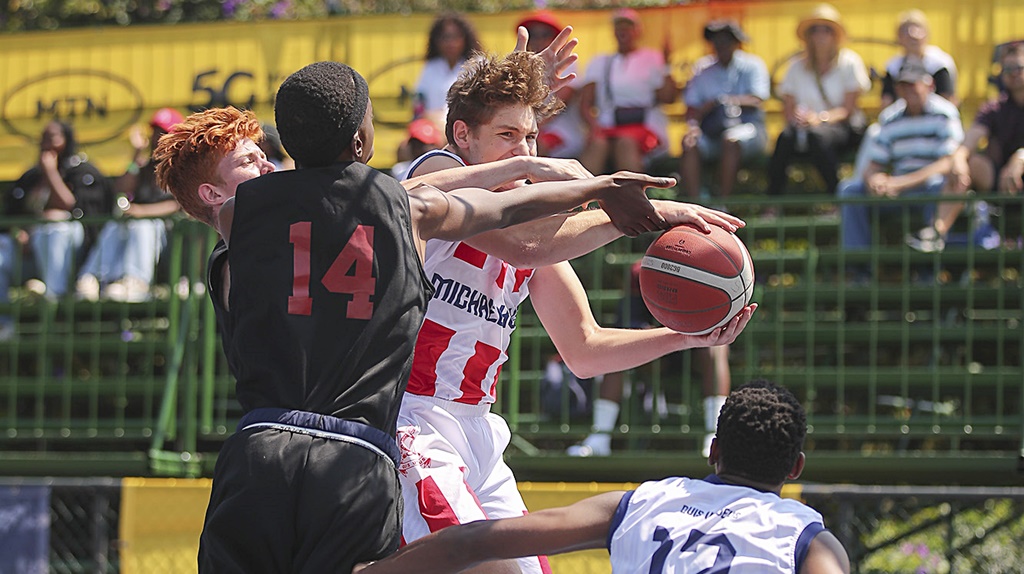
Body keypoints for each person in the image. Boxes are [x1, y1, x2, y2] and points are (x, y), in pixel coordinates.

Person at [153, 54, 674, 572]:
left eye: (531, 134)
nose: (268, 167)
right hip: (387, 427)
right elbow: (507, 229)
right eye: (251, 161)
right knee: (476, 560)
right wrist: (598, 189)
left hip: (336, 437)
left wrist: (685, 334)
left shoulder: (321, 216)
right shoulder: (399, 192)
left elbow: (580, 338)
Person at [399, 49, 755, 574]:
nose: (526, 152)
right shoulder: (438, 174)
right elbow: (527, 244)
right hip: (413, 419)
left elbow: (585, 349)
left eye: (532, 137)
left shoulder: (531, 227)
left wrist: (685, 337)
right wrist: (644, 213)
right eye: (507, 136)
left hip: (477, 426)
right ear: (462, 136)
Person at [353, 380, 851, 574]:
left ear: (714, 452)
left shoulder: (640, 502)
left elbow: (469, 543)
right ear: (796, 469)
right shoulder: (808, 539)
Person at [568, 260, 732, 459]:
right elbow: (629, 323)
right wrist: (663, 339)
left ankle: (714, 436)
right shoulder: (642, 272)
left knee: (716, 349)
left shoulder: (707, 273)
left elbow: (715, 324)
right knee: (616, 351)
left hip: (695, 350)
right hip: (657, 348)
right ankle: (600, 437)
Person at [837, 60, 965, 257]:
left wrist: (901, 183)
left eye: (913, 84)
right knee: (849, 190)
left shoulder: (945, 113)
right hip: (899, 192)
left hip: (930, 189)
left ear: (929, 85)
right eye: (903, 85)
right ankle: (858, 267)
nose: (908, 90)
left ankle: (928, 266)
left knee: (948, 185)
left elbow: (947, 163)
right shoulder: (889, 117)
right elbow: (874, 163)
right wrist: (875, 179)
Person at [75, 108, 183, 302]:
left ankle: (136, 282)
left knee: (142, 225)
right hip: (136, 227)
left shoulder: (183, 169)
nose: (158, 138)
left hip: (167, 237)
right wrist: (136, 155)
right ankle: (92, 277)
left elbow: (177, 206)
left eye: (164, 133)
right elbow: (121, 189)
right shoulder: (143, 167)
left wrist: (141, 212)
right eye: (156, 132)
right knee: (116, 224)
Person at [767, 3, 871, 198]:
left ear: (835, 35)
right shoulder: (795, 67)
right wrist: (798, 118)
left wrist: (819, 119)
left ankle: (837, 198)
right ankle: (773, 202)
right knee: (785, 138)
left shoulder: (850, 62)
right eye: (815, 30)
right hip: (804, 129)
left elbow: (848, 110)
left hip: (842, 129)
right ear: (808, 36)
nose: (821, 35)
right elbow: (788, 109)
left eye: (827, 30)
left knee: (817, 136)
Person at [7, 120, 114, 300]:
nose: (46, 144)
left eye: (52, 138)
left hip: (73, 249)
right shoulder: (30, 177)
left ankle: (54, 296)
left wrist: (50, 172)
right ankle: (5, 321)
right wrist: (18, 232)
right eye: (43, 139)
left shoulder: (81, 171)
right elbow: (12, 214)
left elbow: (70, 205)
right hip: (30, 251)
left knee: (54, 229)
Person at [853, 10, 959, 179]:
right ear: (899, 38)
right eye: (906, 30)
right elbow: (886, 104)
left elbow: (949, 101)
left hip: (934, 125)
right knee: (874, 132)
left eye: (917, 28)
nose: (912, 34)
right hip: (899, 125)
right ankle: (860, 185)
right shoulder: (892, 66)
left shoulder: (940, 63)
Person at [577, 8, 678, 174]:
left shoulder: (653, 57)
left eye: (628, 26)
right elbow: (585, 103)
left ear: (638, 31)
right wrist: (593, 127)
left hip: (646, 127)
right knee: (597, 144)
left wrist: (667, 64)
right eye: (619, 27)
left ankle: (634, 197)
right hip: (608, 127)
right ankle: (582, 197)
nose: (623, 31)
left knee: (625, 142)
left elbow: (668, 97)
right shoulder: (599, 61)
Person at [679, 19, 770, 200]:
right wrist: (693, 127)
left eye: (726, 40)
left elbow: (758, 99)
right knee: (690, 143)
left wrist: (725, 102)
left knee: (730, 140)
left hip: (749, 128)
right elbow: (692, 108)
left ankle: (721, 204)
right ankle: (696, 205)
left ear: (737, 43)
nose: (721, 45)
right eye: (716, 41)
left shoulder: (753, 65)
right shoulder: (702, 69)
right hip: (711, 132)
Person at [951, 41, 1024, 198]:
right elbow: (969, 142)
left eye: (1019, 68)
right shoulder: (994, 108)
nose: (1013, 74)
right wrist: (959, 159)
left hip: (1017, 167)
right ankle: (939, 223)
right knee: (966, 165)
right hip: (1001, 182)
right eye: (1007, 69)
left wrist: (1020, 158)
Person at [518, 10, 587, 160]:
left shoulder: (565, 62)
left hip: (563, 130)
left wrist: (527, 130)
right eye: (533, 34)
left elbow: (558, 105)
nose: (538, 39)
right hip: (529, 128)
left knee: (535, 145)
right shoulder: (519, 64)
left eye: (545, 34)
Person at [415, 12, 482, 130]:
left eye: (456, 36)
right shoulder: (430, 67)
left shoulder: (477, 65)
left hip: (466, 129)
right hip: (431, 129)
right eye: (445, 37)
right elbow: (419, 104)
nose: (450, 43)